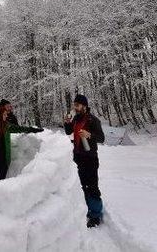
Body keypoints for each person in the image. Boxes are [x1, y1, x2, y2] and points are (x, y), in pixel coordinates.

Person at [64, 94, 105, 228]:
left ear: (84, 106)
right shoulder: (76, 118)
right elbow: (68, 132)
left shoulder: (93, 120)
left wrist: (89, 135)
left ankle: (96, 215)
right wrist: (67, 123)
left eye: (77, 105)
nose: (75, 107)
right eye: (74, 105)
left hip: (90, 158)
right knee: (83, 185)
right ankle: (88, 209)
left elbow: (101, 138)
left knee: (92, 186)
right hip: (78, 157)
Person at [0, 105, 43, 181]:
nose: (6, 116)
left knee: (0, 181)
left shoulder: (7, 126)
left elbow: (19, 128)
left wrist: (32, 129)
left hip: (3, 161)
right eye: (4, 114)